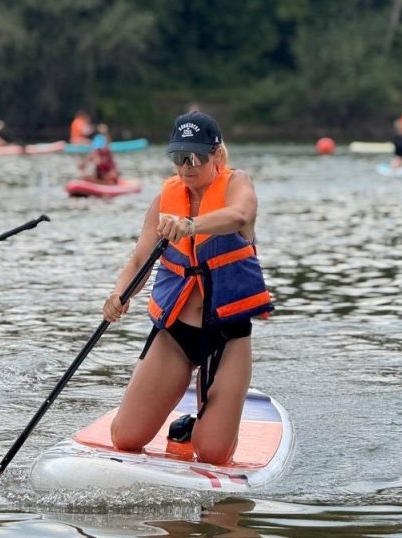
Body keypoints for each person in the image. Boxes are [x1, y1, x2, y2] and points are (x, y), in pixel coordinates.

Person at [102, 111, 274, 465]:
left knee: (212, 453)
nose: (186, 165)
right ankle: (185, 421)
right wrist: (119, 294)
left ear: (217, 155)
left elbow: (240, 216)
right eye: (179, 157)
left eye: (195, 156)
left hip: (227, 335)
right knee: (125, 437)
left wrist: (191, 224)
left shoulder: (237, 184)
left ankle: (197, 424)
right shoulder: (166, 200)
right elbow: (137, 263)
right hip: (176, 332)